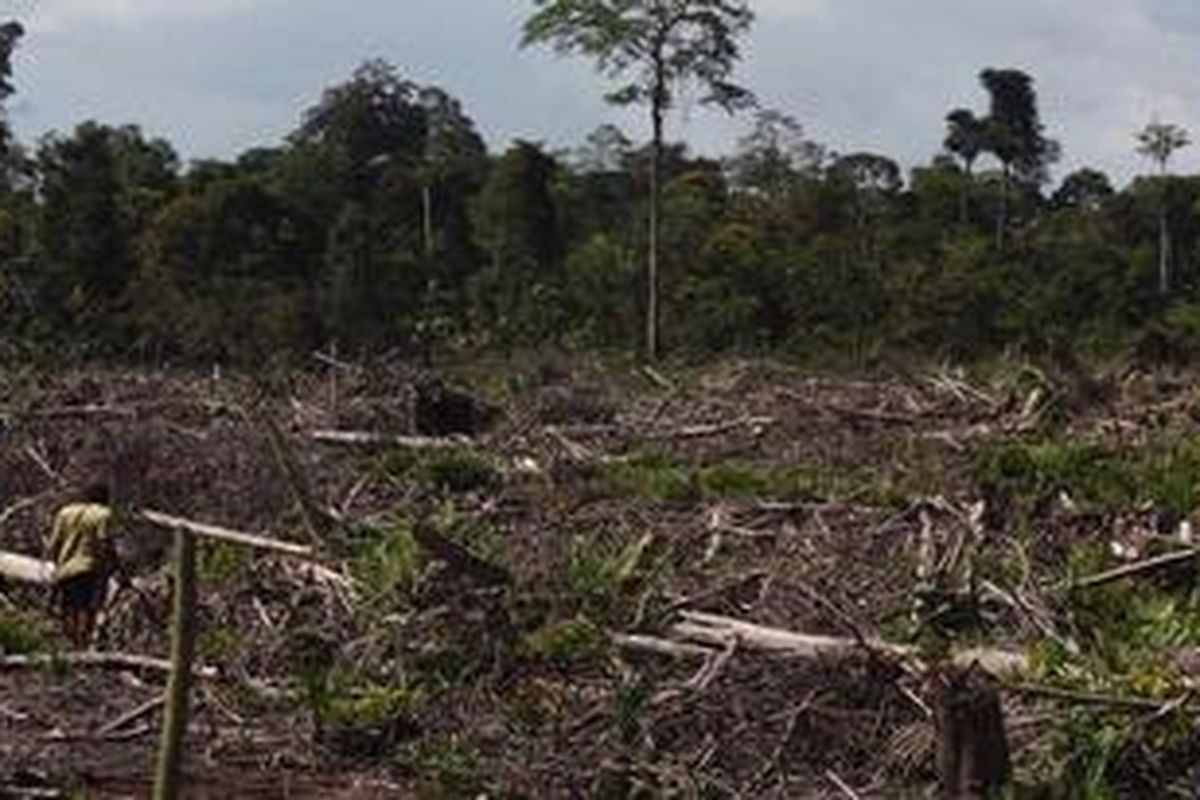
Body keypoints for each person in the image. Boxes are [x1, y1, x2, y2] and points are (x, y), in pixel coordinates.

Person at [48, 482, 118, 649]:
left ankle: (70, 645)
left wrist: (57, 565)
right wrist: (112, 564)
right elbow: (104, 542)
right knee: (86, 608)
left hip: (65, 569)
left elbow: (54, 544)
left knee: (68, 608)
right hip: (89, 567)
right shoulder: (103, 514)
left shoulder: (65, 513)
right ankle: (82, 646)